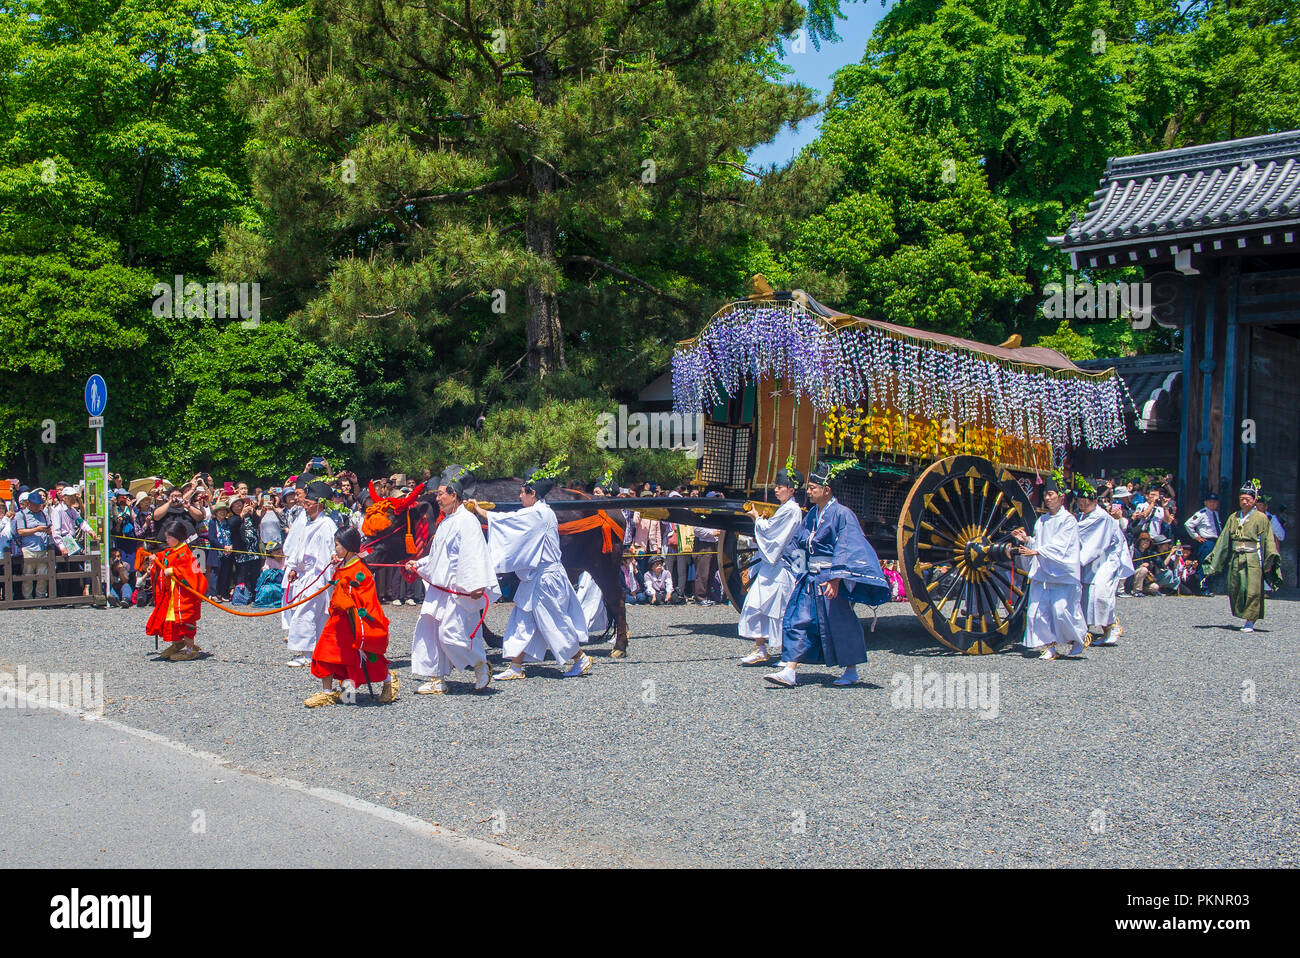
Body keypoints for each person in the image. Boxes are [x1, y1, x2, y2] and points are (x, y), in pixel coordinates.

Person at [764, 461, 890, 688]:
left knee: (839, 623)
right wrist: (797, 564)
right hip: (810, 577)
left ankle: (851, 670)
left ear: (827, 490)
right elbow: (798, 541)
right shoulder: (812, 514)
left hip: (830, 578)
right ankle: (790, 669)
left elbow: (846, 546)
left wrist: (835, 578)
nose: (808, 492)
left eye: (813, 488)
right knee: (796, 620)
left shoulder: (843, 514)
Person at [471, 466, 593, 681]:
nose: (519, 496)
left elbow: (507, 521)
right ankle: (515, 667)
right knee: (521, 619)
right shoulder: (540, 512)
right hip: (537, 577)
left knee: (553, 622)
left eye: (522, 492)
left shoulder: (539, 513)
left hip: (545, 579)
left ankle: (580, 657)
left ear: (532, 493)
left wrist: (479, 511)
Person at [406, 465, 498, 694]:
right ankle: (437, 679)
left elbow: (475, 554)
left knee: (452, 634)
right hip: (439, 590)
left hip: (459, 590)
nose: (437, 498)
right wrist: (418, 564)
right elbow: (439, 558)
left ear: (453, 494)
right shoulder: (446, 521)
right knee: (429, 632)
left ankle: (480, 665)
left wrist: (476, 584)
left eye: (440, 494)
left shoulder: (467, 521)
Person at [304, 527, 398, 707]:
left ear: (348, 546)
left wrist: (346, 599)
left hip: (353, 621)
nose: (335, 549)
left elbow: (365, 597)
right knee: (325, 653)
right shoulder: (344, 565)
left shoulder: (360, 570)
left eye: (337, 545)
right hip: (338, 620)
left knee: (364, 656)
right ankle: (327, 692)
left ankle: (389, 680)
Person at [1012, 475, 1087, 660]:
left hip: (1061, 573)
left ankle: (1079, 638)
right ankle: (1050, 647)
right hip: (1043, 571)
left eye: (1051, 494)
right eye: (1045, 494)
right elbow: (1041, 542)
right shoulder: (1042, 520)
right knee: (1036, 611)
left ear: (1061, 497)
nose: (1047, 498)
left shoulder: (1068, 520)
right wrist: (1028, 541)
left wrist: (1037, 551)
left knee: (1061, 610)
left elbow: (1062, 546)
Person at [738, 465, 803, 665]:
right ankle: (760, 648)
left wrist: (757, 519)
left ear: (791, 490)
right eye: (776, 486)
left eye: (781, 486)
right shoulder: (785, 509)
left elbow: (773, 533)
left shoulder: (792, 510)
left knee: (780, 610)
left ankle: (788, 655)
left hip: (782, 566)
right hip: (770, 566)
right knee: (755, 603)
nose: (776, 490)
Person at [1202, 484, 1281, 632]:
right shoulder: (1234, 517)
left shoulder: (1261, 518)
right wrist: (1214, 559)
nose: (1244, 502)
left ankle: (1250, 620)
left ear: (1254, 500)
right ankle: (1243, 614)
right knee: (1235, 587)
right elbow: (1224, 539)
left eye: (1248, 499)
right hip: (1236, 556)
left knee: (1253, 589)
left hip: (1253, 557)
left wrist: (1268, 561)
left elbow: (1268, 540)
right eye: (1242, 499)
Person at [281, 481, 339, 667]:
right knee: (311, 613)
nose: (305, 507)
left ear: (319, 503)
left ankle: (308, 653)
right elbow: (299, 547)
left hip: (319, 575)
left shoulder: (327, 524)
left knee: (305, 612)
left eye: (308, 504)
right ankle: (315, 650)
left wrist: (326, 579)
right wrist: (294, 568)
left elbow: (330, 553)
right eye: (304, 503)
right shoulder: (309, 523)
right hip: (305, 573)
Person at [1075, 480, 1134, 647]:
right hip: (1093, 559)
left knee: (1101, 592)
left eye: (1086, 502)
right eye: (1080, 502)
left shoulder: (1101, 517)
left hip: (1107, 559)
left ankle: (1111, 625)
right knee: (1086, 593)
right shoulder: (1082, 516)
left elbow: (1090, 540)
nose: (1083, 505)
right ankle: (1084, 628)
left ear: (1095, 501)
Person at [145, 520, 208, 661]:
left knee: (186, 621)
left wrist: (173, 570)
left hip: (184, 596)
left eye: (168, 537)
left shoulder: (186, 553)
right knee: (173, 621)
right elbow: (164, 555)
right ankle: (178, 643)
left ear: (177, 537)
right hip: (173, 595)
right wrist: (155, 558)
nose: (166, 540)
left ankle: (190, 649)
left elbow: (191, 574)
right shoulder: (173, 551)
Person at [13, 491, 53, 600]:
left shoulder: (43, 514)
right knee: (28, 576)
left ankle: (40, 597)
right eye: (35, 504)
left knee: (43, 576)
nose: (37, 507)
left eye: (39, 505)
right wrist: (36, 529)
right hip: (28, 549)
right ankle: (28, 598)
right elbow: (20, 532)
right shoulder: (21, 515)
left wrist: (48, 531)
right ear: (29, 503)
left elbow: (50, 527)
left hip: (42, 548)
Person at [1184, 491, 1221, 595]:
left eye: (1214, 502)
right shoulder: (1201, 513)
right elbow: (1188, 524)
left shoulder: (1216, 514)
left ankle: (1209, 587)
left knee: (1212, 566)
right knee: (1205, 566)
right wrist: (1196, 536)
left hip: (1215, 542)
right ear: (1205, 503)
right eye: (1210, 502)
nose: (1212, 504)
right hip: (1206, 542)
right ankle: (1203, 589)